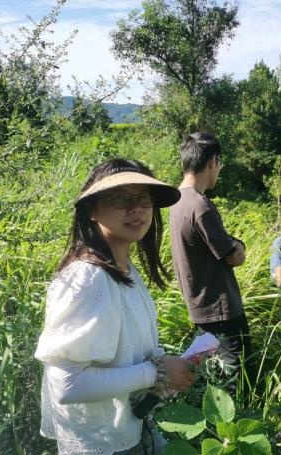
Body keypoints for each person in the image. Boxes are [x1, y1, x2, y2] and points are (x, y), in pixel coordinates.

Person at [34, 158, 195, 455]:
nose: (136, 208)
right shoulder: (87, 278)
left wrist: (165, 370)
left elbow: (125, 358)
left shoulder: (124, 270)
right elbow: (67, 384)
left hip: (130, 429)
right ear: (91, 210)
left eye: (144, 198)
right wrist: (157, 372)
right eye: (120, 198)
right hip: (99, 443)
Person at [169, 132, 256, 390]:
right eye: (219, 164)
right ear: (212, 162)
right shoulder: (200, 206)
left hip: (199, 306)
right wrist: (239, 245)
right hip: (221, 308)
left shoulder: (176, 201)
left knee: (215, 377)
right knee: (239, 379)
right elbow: (232, 255)